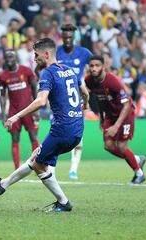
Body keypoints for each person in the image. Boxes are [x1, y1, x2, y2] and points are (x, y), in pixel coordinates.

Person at [0, 37, 90, 212]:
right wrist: (85, 104)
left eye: (36, 55)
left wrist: (15, 116)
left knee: (38, 164)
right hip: (77, 129)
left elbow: (41, 101)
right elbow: (85, 93)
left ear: (47, 53)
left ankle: (63, 202)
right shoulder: (70, 70)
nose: (35, 58)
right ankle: (3, 184)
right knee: (36, 156)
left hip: (62, 130)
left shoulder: (48, 73)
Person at [85, 55, 146, 184]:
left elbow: (126, 104)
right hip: (109, 114)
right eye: (91, 66)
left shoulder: (113, 81)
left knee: (122, 146)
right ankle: (136, 159)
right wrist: (102, 118)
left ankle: (139, 174)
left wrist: (116, 126)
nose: (94, 68)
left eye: (97, 65)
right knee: (108, 146)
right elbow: (99, 98)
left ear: (103, 66)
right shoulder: (89, 80)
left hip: (125, 113)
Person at [56, 23, 92, 179]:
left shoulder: (84, 53)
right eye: (65, 36)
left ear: (74, 37)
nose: (68, 40)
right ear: (61, 36)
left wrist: (87, 89)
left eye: (70, 36)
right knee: (57, 133)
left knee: (78, 137)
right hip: (58, 99)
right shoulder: (56, 52)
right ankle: (52, 167)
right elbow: (42, 68)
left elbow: (98, 67)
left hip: (76, 99)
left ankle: (73, 169)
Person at [0, 50, 39, 169]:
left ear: (16, 57)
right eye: (7, 57)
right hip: (13, 111)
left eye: (11, 56)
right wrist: (3, 115)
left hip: (28, 109)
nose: (9, 59)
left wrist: (36, 108)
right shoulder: (3, 76)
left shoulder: (26, 71)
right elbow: (2, 95)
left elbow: (34, 89)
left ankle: (37, 164)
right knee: (15, 138)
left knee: (33, 136)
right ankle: (17, 168)